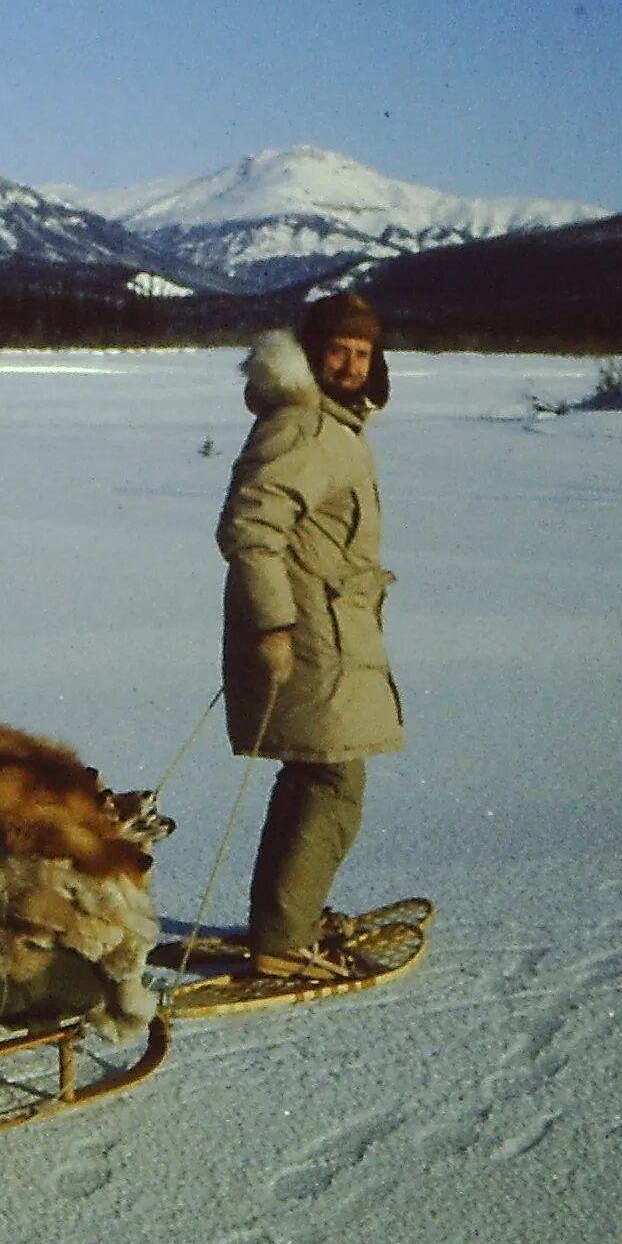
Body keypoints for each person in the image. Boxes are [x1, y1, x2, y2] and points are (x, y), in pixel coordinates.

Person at [216, 292, 403, 980]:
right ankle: (282, 940)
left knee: (315, 776)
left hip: (332, 629)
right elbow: (250, 528)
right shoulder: (305, 427)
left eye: (363, 353)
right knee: (332, 781)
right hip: (310, 634)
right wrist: (272, 622)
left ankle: (284, 920)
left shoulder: (332, 426)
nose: (352, 365)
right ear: (314, 353)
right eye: (339, 352)